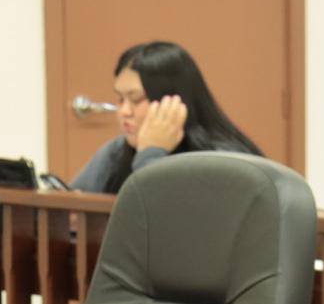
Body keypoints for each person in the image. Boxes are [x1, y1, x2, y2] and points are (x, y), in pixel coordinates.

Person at [71, 41, 262, 193]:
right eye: (120, 99)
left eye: (136, 99)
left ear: (174, 101)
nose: (124, 111)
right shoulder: (116, 151)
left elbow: (165, 216)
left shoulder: (222, 159)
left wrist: (151, 153)